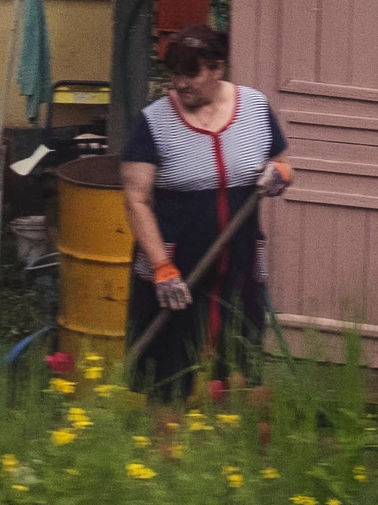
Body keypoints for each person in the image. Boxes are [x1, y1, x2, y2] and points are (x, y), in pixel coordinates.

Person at [117, 27, 292, 395]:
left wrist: (281, 174)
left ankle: (238, 430)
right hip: (175, 268)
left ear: (217, 68)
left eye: (191, 73)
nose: (180, 83)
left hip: (239, 263)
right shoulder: (153, 122)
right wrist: (161, 267)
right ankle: (168, 431)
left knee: (243, 368)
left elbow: (280, 161)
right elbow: (136, 199)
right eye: (174, 73)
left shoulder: (255, 107)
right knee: (168, 377)